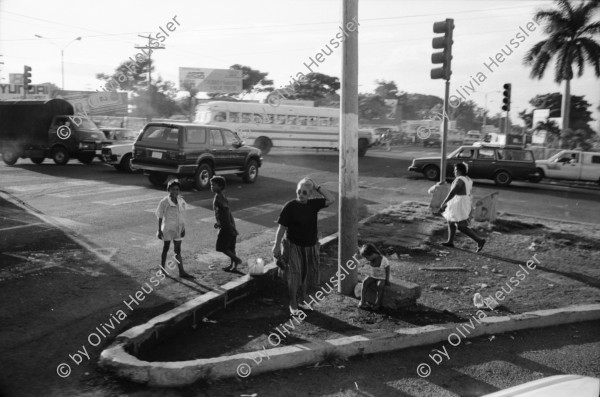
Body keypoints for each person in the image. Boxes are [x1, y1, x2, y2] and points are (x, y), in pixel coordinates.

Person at [272, 178, 335, 316]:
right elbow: (281, 227)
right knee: (295, 275)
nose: (301, 194)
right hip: (293, 245)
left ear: (310, 194)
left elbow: (331, 199)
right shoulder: (290, 206)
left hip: (310, 247)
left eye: (305, 192)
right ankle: (293, 303)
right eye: (299, 191)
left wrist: (317, 186)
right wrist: (276, 245)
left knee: (307, 275)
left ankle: (303, 299)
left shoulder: (313, 204)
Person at [439, 163, 486, 252]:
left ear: (459, 171)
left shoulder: (459, 180)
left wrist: (444, 202)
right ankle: (450, 241)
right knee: (451, 221)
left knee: (461, 226)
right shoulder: (468, 179)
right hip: (463, 201)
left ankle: (480, 241)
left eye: (455, 170)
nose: (454, 171)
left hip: (459, 203)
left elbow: (453, 192)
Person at [155, 179, 194, 279]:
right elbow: (160, 216)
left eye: (177, 189)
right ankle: (162, 269)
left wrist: (183, 228)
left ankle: (181, 271)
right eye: (173, 189)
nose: (175, 192)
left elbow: (182, 215)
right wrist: (159, 230)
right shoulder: (164, 201)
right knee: (166, 248)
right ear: (169, 190)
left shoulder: (181, 201)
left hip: (179, 228)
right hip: (168, 228)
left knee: (178, 250)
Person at [210, 176, 243, 272]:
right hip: (229, 225)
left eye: (214, 185)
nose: (211, 187)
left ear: (220, 186)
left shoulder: (219, 198)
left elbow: (225, 212)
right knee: (231, 247)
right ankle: (233, 266)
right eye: (211, 185)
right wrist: (219, 223)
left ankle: (237, 260)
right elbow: (223, 213)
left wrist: (223, 224)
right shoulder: (222, 195)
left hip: (226, 227)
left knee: (222, 247)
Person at [358, 243, 390, 310]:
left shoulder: (384, 260)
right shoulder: (371, 259)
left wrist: (387, 280)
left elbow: (387, 270)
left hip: (382, 277)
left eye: (367, 257)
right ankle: (362, 301)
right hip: (373, 276)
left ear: (372, 254)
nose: (366, 259)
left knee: (379, 285)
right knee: (365, 282)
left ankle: (377, 303)